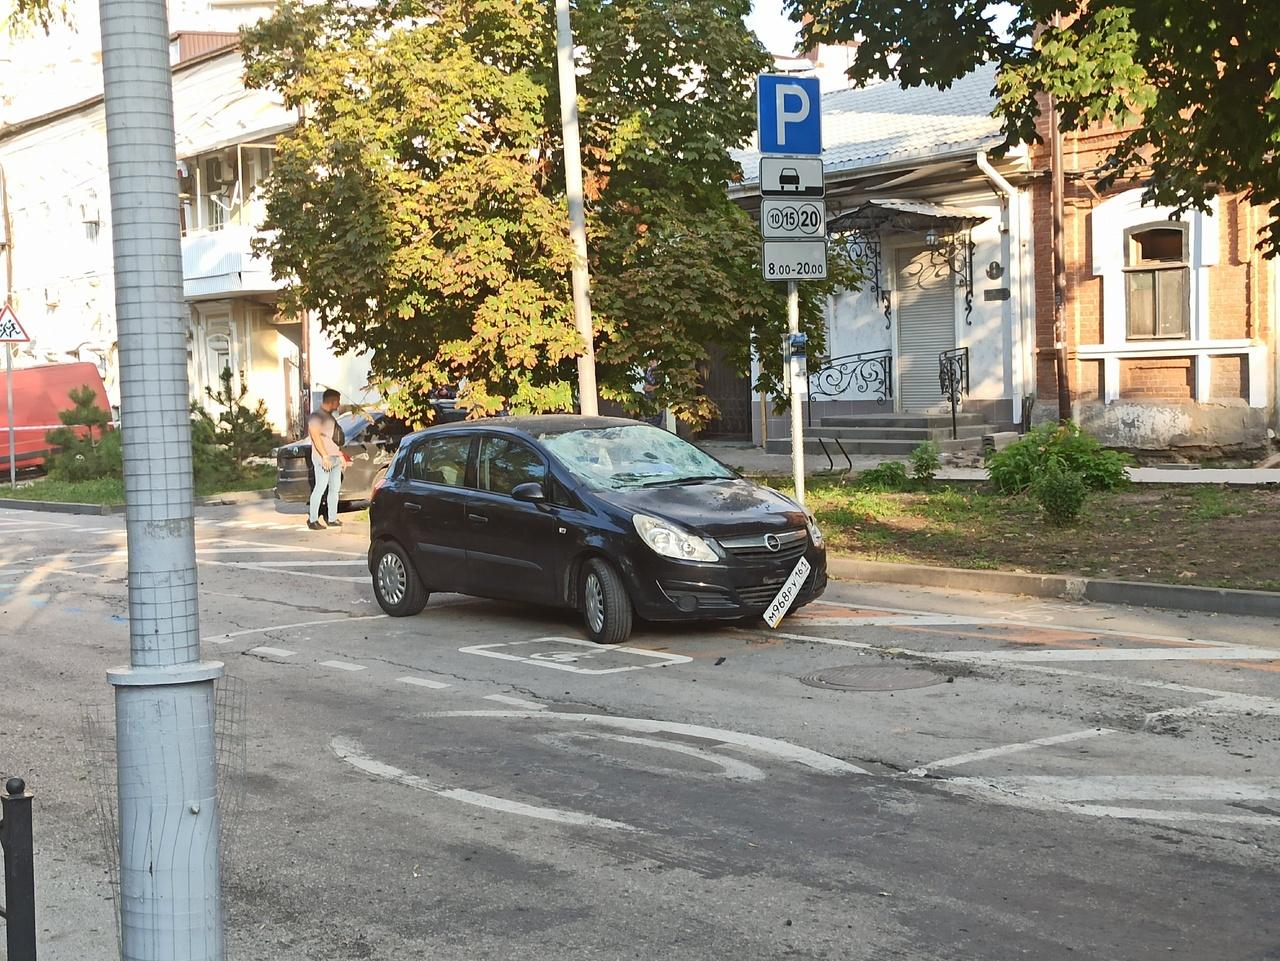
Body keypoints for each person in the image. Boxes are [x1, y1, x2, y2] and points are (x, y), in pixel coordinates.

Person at [306, 388, 346, 531]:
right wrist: (324, 456)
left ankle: (332, 518)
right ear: (332, 401)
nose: (339, 404)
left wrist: (340, 455)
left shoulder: (330, 417)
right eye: (338, 401)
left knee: (334, 489)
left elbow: (334, 438)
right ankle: (313, 519)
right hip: (324, 458)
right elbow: (316, 438)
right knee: (320, 488)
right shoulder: (316, 417)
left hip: (334, 457)